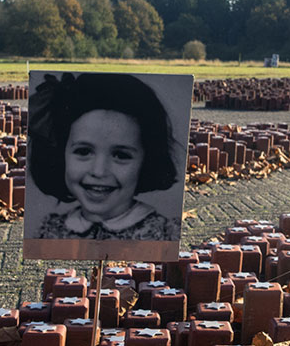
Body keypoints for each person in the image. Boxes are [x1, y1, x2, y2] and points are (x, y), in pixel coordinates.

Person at [28, 73, 180, 242]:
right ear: (61, 155)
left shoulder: (165, 234)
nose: (99, 172)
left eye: (121, 155)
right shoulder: (49, 230)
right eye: (83, 152)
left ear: (146, 162)